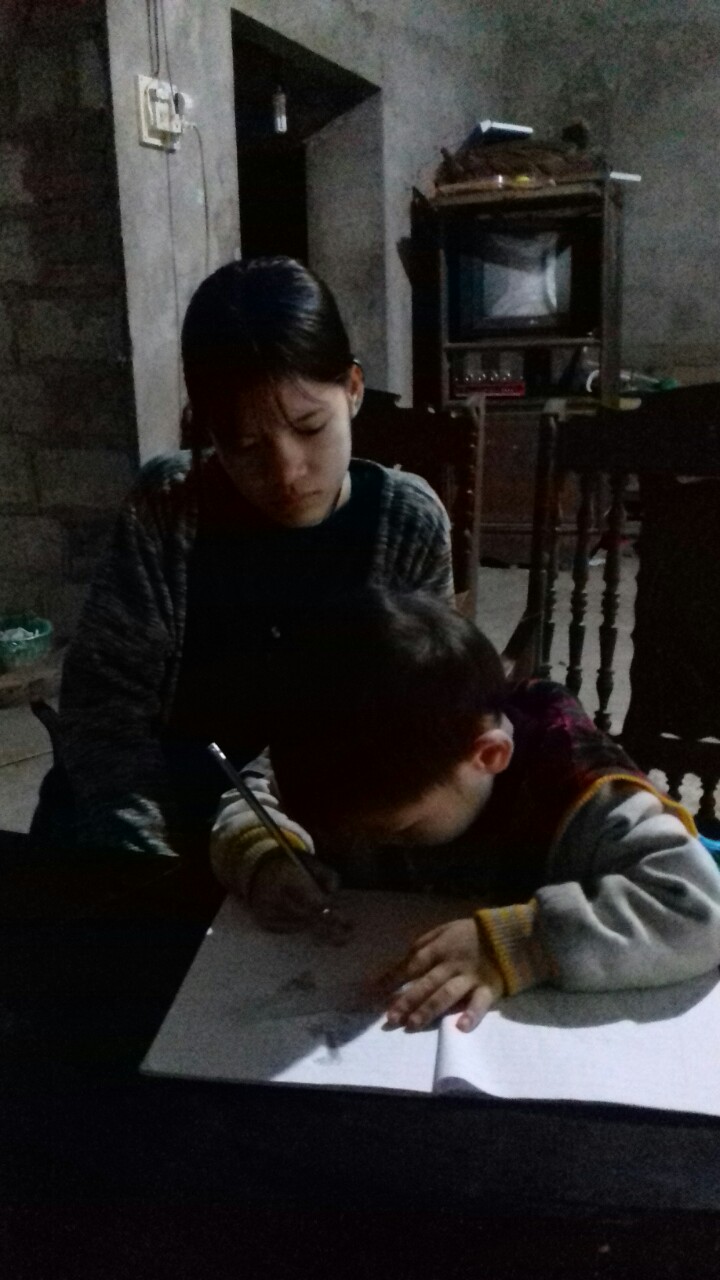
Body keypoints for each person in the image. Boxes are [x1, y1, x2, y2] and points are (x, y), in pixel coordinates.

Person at [32, 259, 454, 861]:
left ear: (354, 390)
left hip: (312, 838)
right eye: (246, 444)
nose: (286, 473)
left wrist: (285, 850)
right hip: (153, 827)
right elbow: (105, 711)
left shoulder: (407, 522)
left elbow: (403, 721)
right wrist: (148, 864)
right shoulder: (169, 505)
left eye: (310, 427)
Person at [216, 588, 720, 1032]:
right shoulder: (336, 751)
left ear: (489, 756)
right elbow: (252, 791)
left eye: (397, 832)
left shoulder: (577, 786)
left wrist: (524, 944)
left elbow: (702, 912)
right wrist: (270, 856)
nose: (358, 845)